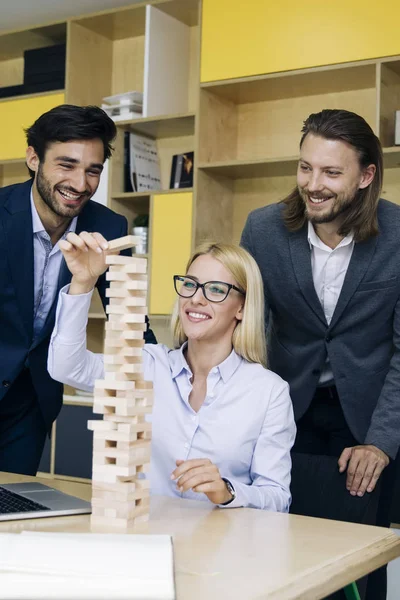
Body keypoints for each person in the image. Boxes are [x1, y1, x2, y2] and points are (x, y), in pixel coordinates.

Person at [241, 108, 400, 599]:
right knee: (279, 549)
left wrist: (380, 442)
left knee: (358, 558)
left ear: (366, 175)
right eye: (305, 167)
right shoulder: (264, 230)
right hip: (287, 409)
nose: (314, 184)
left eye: (332, 172)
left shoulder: (398, 233)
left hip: (369, 416)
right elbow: (249, 327)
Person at [48, 237, 296, 511]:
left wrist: (227, 491)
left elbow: (277, 497)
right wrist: (83, 282)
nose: (196, 299)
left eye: (216, 289)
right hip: (144, 539)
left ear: (241, 307)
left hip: (221, 547)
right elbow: (66, 366)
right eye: (190, 284)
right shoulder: (147, 365)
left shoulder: (269, 391)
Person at [0, 103, 155, 476]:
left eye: (93, 170)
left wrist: (174, 371)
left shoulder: (109, 225)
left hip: (32, 400)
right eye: (66, 165)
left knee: (12, 516)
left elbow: (129, 316)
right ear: (34, 159)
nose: (81, 184)